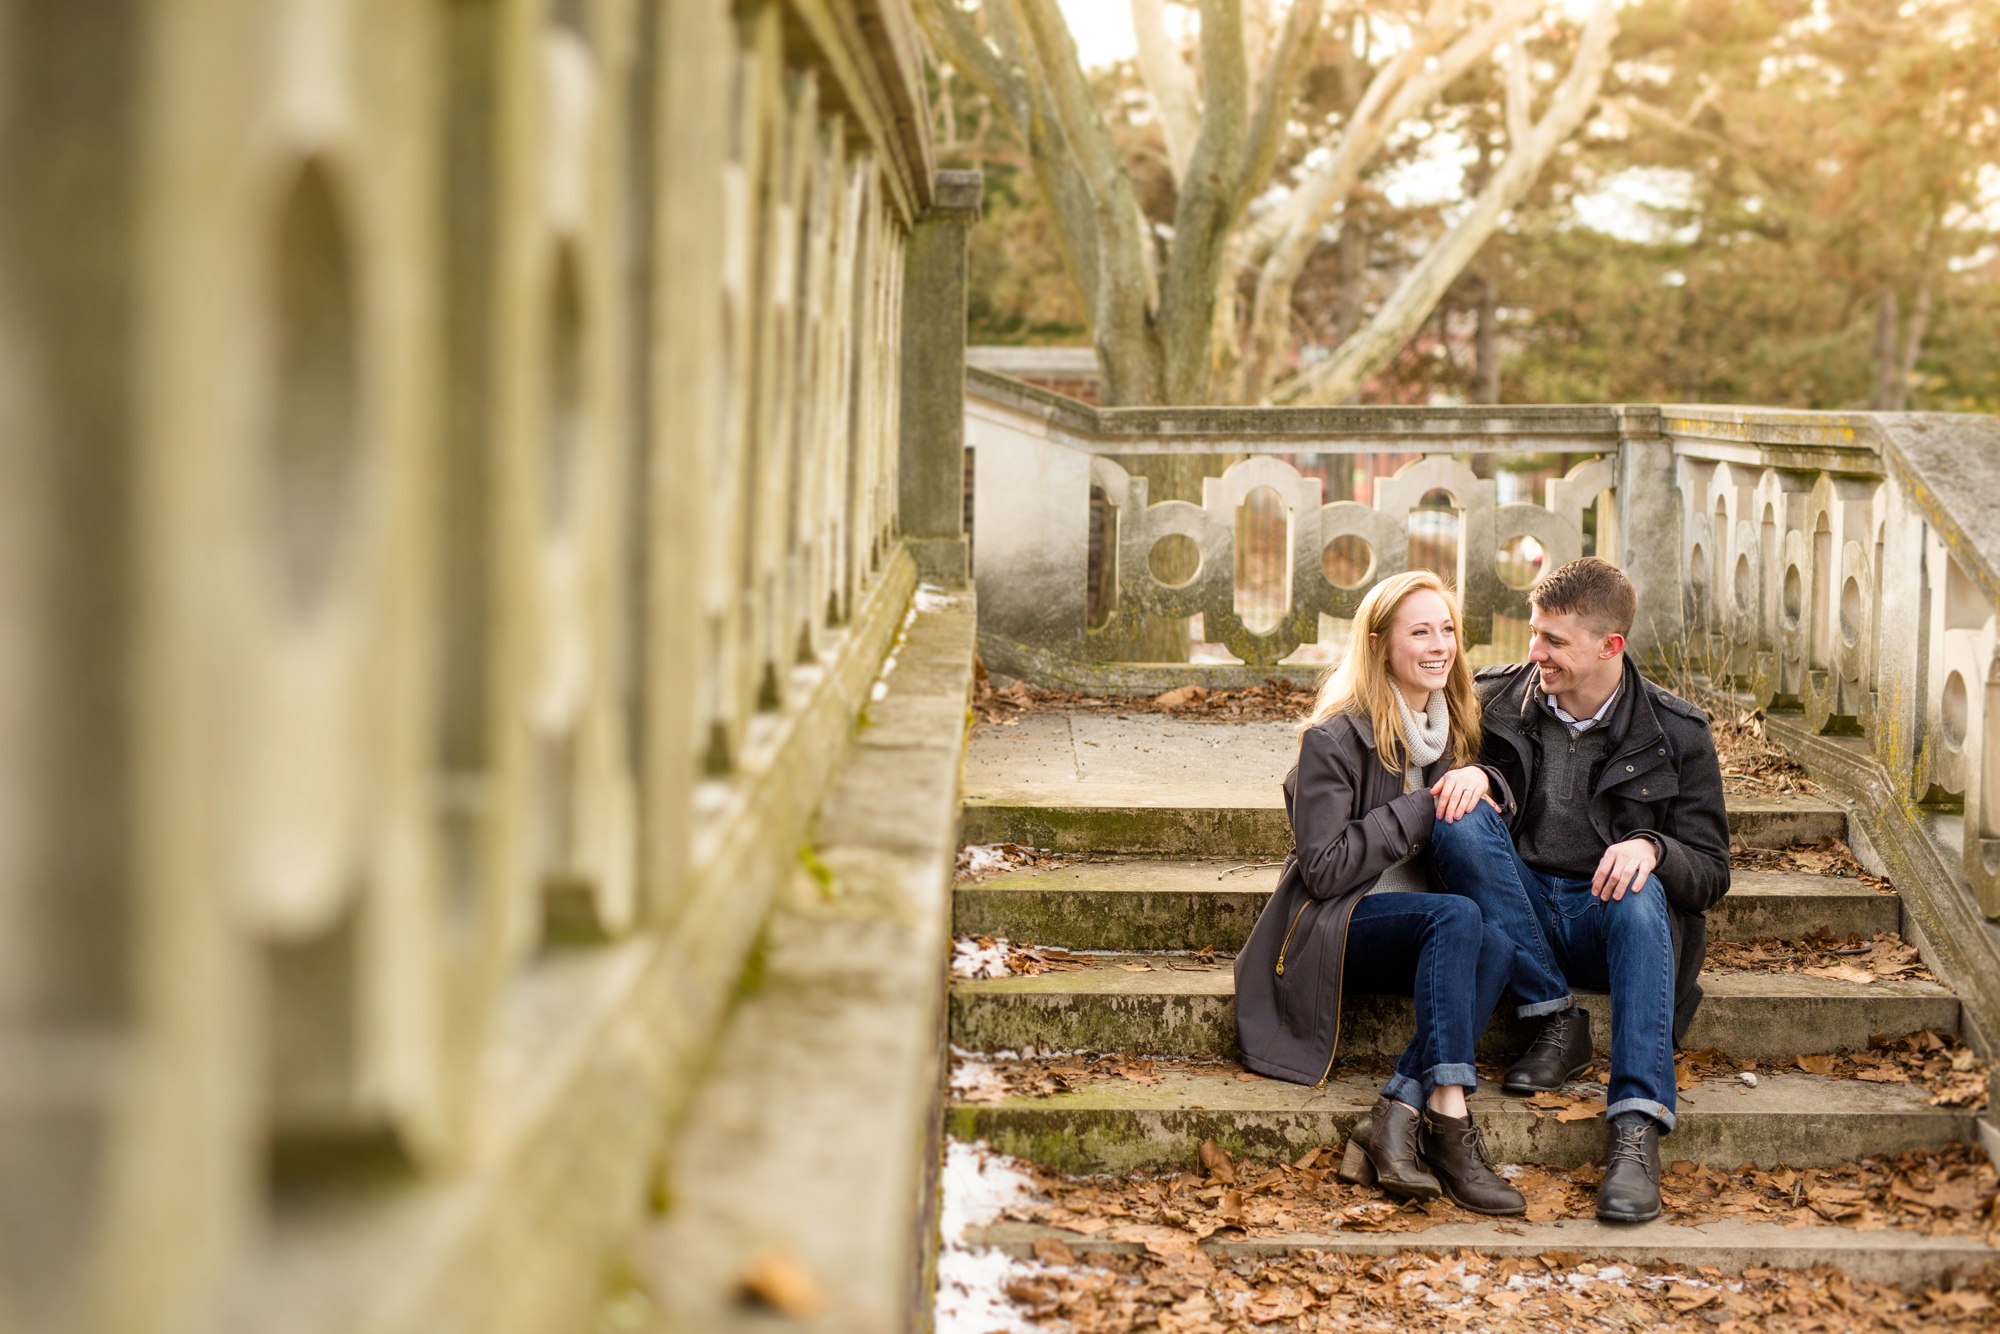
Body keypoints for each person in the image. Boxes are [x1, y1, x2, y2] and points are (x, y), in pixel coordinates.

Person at [1429, 557, 1730, 1224]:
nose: (1535, 652)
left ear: (1609, 646)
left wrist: (1653, 847)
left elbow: (1710, 875)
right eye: (1533, 633)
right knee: (1458, 815)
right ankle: (1555, 1015)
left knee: (1640, 886)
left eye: (1554, 641)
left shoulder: (1677, 732)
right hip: (1520, 914)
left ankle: (1635, 1129)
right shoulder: (1496, 697)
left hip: (1610, 925)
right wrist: (1478, 777)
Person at [1236, 571, 1525, 1216]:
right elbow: (1326, 869)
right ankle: (1450, 1123)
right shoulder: (1334, 738)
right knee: (1459, 917)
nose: (1440, 644)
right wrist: (1423, 806)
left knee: (1498, 939)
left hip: (1418, 926)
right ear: (1379, 645)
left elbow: (1490, 809)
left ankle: (1396, 1110)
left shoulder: (1447, 727)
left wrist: (1482, 781)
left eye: (1447, 628)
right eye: (1419, 630)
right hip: (1332, 927)